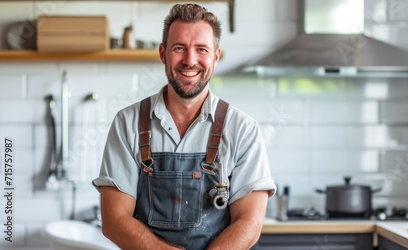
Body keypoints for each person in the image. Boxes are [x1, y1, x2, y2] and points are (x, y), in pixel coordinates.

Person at [92, 3, 276, 250]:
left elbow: (249, 223)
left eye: (201, 49)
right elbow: (114, 221)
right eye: (179, 48)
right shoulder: (128, 123)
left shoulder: (242, 129)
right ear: (162, 53)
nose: (190, 60)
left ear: (215, 56)